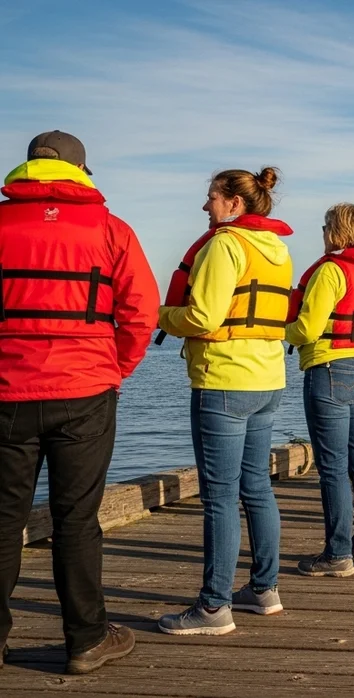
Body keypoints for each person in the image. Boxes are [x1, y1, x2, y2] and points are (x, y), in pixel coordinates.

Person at [0, 131, 158, 673]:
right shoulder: (110, 229)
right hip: (86, 389)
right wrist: (116, 369)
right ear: (80, 172)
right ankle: (87, 640)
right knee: (77, 519)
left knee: (3, 520)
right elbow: (141, 311)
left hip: (7, 392)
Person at [157, 166, 292, 636]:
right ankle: (264, 589)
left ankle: (214, 606)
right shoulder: (276, 248)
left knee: (219, 497)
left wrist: (161, 315)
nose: (205, 205)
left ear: (234, 203)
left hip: (225, 380)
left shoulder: (225, 245)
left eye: (211, 197)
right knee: (257, 487)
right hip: (268, 379)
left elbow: (203, 317)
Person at [285, 204, 354, 575]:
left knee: (332, 468)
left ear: (335, 231)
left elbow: (308, 328)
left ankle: (338, 555)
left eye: (325, 227)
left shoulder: (331, 270)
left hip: (330, 370)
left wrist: (278, 331)